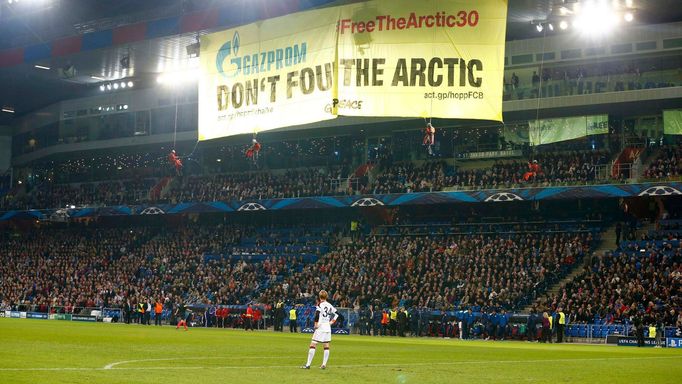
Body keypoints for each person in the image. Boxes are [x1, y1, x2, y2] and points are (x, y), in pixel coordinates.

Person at [301, 290, 338, 370]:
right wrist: (331, 322)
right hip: (327, 327)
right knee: (326, 345)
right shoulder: (329, 305)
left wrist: (315, 324)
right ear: (326, 296)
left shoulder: (320, 304)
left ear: (319, 296)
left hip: (320, 327)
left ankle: (308, 365)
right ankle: (324, 364)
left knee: (313, 344)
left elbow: (317, 314)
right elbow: (337, 314)